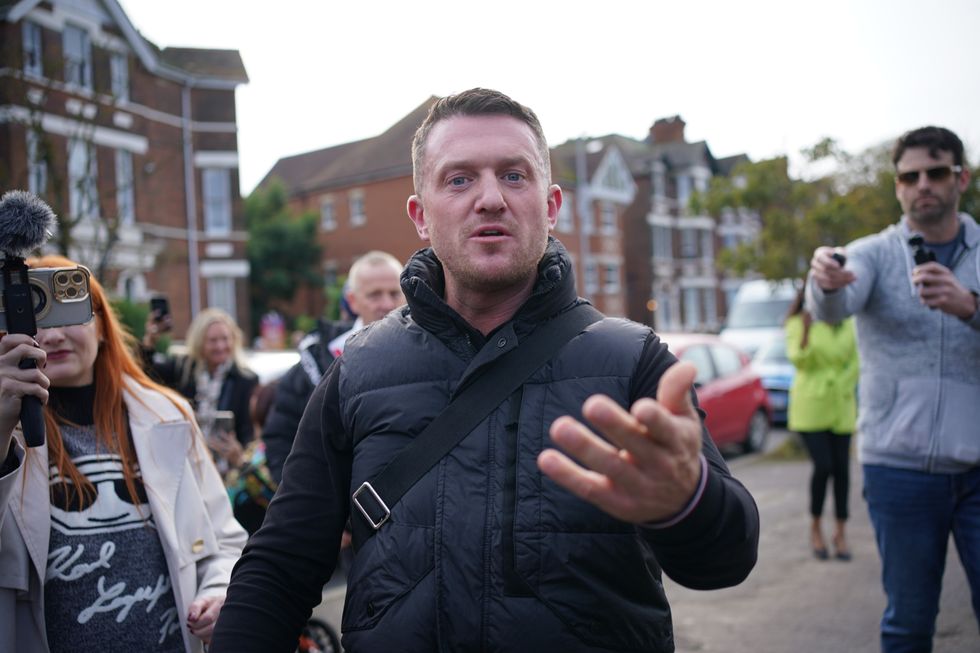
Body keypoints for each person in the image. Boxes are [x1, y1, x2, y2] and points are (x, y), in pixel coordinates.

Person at [211, 88, 759, 653]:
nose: (491, 198)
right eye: (460, 179)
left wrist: (686, 500)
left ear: (550, 207)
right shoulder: (357, 373)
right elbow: (280, 565)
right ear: (421, 216)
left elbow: (726, 561)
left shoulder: (633, 362)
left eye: (515, 176)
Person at [0, 255, 247, 653]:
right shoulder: (6, 434)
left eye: (68, 313)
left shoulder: (168, 415)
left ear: (102, 327)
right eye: (34, 319)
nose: (52, 336)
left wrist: (219, 592)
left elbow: (224, 541)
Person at [807, 126, 980, 652]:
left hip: (977, 468)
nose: (922, 184)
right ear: (897, 186)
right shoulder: (875, 254)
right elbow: (832, 309)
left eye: (935, 172)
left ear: (961, 178)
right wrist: (825, 282)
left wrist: (971, 307)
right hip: (898, 470)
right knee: (908, 621)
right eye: (909, 176)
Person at [261, 250, 403, 483]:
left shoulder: (433, 350)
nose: (387, 304)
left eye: (394, 293)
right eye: (375, 295)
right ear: (353, 300)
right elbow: (281, 440)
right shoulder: (316, 363)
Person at [783, 284, 859, 561]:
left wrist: (842, 383)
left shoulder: (848, 322)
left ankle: (840, 531)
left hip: (842, 404)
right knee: (823, 465)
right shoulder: (796, 322)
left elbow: (855, 360)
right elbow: (798, 360)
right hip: (811, 406)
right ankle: (815, 527)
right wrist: (805, 330)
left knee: (842, 469)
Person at [141, 307, 258, 457]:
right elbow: (143, 373)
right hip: (186, 459)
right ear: (199, 342)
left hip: (226, 466)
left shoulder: (245, 379)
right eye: (213, 340)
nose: (220, 346)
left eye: (225, 339)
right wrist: (150, 339)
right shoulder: (182, 370)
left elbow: (249, 433)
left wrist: (240, 453)